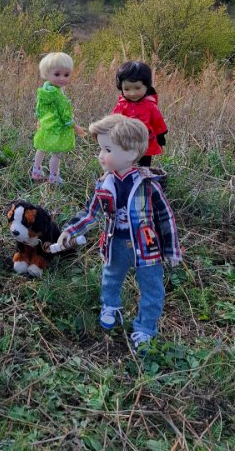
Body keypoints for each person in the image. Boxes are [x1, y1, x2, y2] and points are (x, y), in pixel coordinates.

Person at [56, 114, 181, 352]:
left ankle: (145, 328)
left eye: (107, 149)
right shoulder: (104, 184)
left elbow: (165, 218)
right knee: (111, 277)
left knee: (151, 287)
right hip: (116, 241)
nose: (101, 155)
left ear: (132, 152)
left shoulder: (148, 184)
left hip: (147, 245)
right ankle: (111, 306)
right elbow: (91, 213)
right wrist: (70, 230)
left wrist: (171, 249)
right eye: (101, 149)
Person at [31, 52, 86, 185]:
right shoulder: (57, 95)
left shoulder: (44, 90)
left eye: (66, 74)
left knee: (42, 147)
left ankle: (36, 170)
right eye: (57, 74)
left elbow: (39, 109)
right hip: (58, 128)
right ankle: (54, 177)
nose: (62, 78)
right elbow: (65, 116)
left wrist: (39, 120)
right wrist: (76, 127)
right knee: (56, 154)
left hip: (46, 126)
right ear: (46, 73)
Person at [111, 61, 167, 167]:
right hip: (126, 140)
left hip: (146, 141)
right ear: (121, 88)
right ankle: (126, 178)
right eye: (127, 89)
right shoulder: (122, 106)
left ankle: (144, 178)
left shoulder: (150, 106)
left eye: (137, 88)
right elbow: (112, 121)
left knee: (144, 164)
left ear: (147, 86)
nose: (132, 93)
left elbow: (158, 123)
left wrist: (160, 138)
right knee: (125, 163)